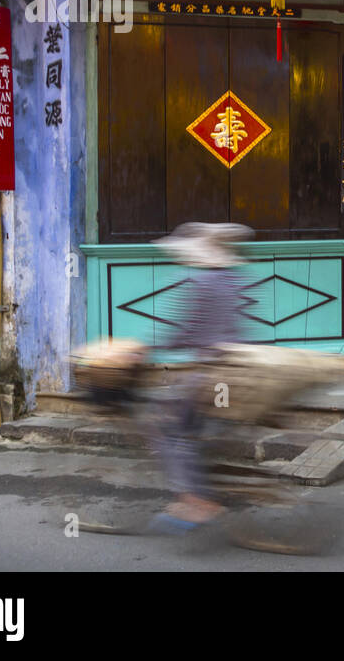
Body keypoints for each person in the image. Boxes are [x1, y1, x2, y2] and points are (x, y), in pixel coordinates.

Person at [148, 221, 253, 531]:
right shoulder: (232, 279)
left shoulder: (204, 283)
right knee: (190, 427)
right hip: (235, 370)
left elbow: (188, 331)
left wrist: (149, 349)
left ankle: (196, 501)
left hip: (212, 374)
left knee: (168, 426)